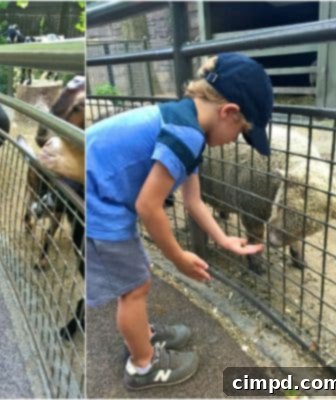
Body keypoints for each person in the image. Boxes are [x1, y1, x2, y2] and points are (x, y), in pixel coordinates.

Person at [86, 53, 272, 390]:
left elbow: (193, 200)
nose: (234, 140)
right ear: (228, 112)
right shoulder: (186, 135)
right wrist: (178, 258)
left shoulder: (187, 124)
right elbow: (148, 206)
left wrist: (222, 239)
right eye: (240, 132)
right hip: (98, 200)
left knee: (136, 277)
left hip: (102, 191)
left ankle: (141, 334)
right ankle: (143, 366)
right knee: (134, 288)